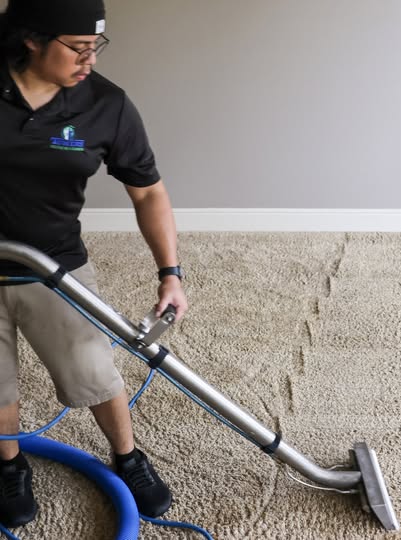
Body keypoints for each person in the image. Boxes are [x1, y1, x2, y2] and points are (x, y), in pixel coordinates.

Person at [0, 0, 189, 528]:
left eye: (95, 47)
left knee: (94, 372)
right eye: (78, 48)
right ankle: (9, 465)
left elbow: (149, 193)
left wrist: (170, 273)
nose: (90, 61)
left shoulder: (106, 105)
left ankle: (127, 457)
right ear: (32, 39)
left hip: (54, 263)